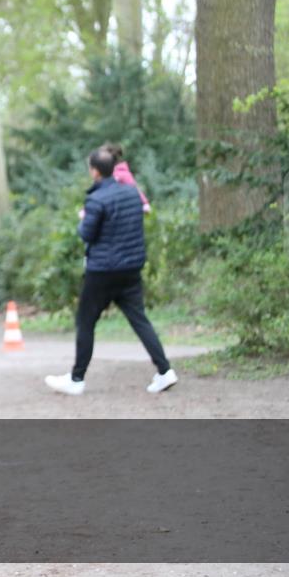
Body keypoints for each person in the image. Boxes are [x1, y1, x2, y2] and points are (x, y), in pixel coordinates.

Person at [45, 148, 177, 396]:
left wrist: (82, 220)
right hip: (131, 269)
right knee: (140, 320)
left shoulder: (96, 200)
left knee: (85, 321)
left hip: (102, 271)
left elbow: (87, 234)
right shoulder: (131, 193)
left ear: (94, 171)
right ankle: (164, 371)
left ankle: (76, 379)